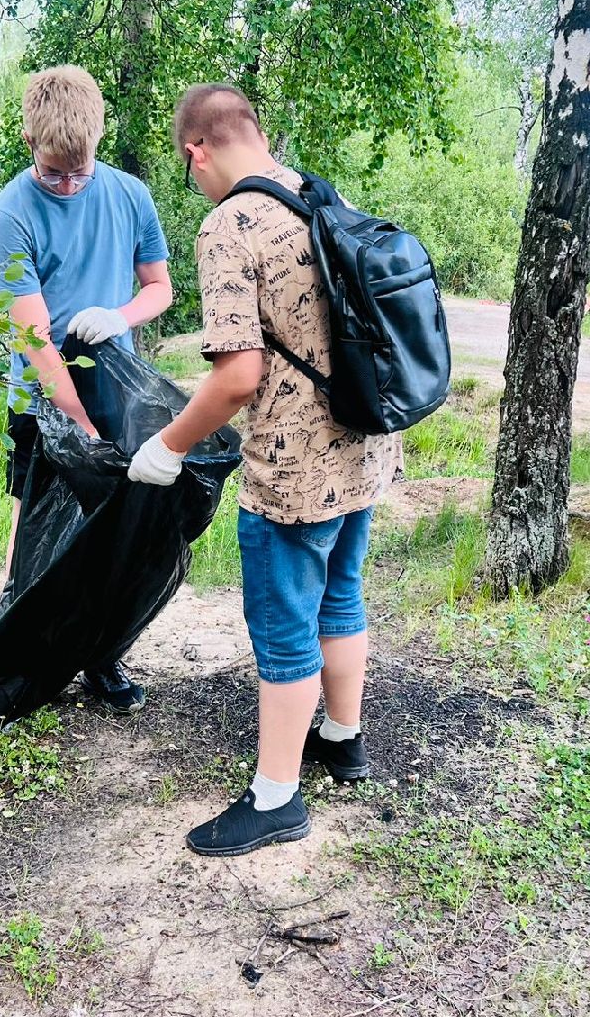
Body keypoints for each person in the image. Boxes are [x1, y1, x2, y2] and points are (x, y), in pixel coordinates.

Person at [127, 83, 400, 856]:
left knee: (284, 626)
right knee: (340, 593)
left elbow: (238, 377)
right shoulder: (321, 195)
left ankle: (277, 797)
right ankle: (343, 738)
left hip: (293, 470)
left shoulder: (229, 224)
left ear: (196, 152)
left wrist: (168, 446)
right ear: (256, 132)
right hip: (364, 447)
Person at [0, 65, 173, 713]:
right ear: (28, 143)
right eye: (53, 174)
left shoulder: (130, 196)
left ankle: (102, 655)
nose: (67, 185)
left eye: (79, 173)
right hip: (42, 397)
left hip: (116, 389)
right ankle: (18, 661)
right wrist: (81, 430)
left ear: (98, 140)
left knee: (111, 531)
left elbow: (160, 288)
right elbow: (35, 338)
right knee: (37, 528)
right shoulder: (13, 211)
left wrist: (121, 316)